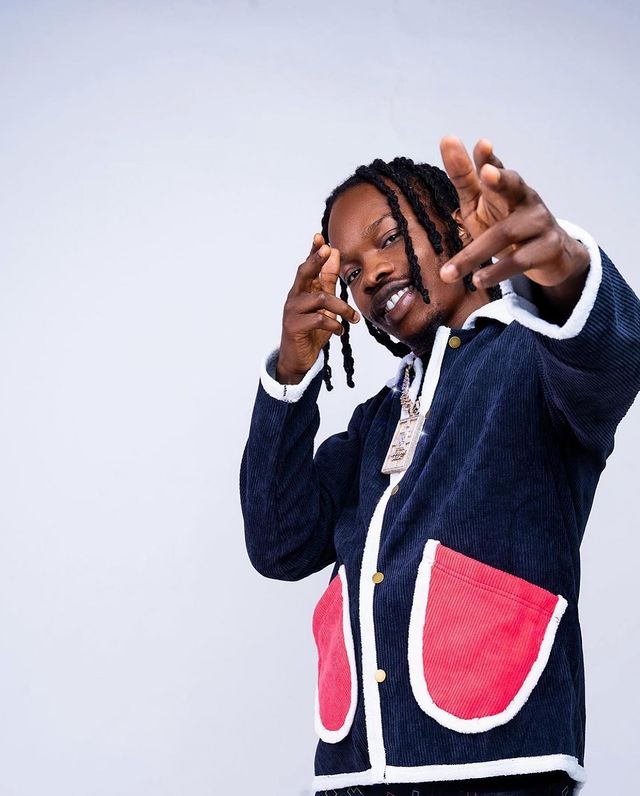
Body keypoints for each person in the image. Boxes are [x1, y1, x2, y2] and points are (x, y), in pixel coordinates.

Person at [239, 137, 640, 796]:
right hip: (357, 772)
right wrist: (290, 371)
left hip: (496, 764)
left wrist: (562, 263)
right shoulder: (377, 419)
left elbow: (613, 356)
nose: (371, 274)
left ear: (454, 222)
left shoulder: (535, 360)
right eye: (350, 274)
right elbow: (279, 543)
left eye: (389, 238)